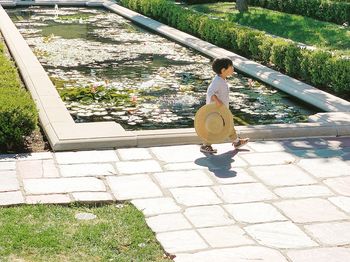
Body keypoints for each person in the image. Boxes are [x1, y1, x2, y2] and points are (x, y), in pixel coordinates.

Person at [200, 57, 249, 154]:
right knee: (213, 127)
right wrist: (216, 100)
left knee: (229, 124)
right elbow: (210, 92)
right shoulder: (217, 81)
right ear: (223, 70)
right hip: (216, 110)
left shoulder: (221, 79)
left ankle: (236, 142)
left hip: (222, 109)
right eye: (231, 67)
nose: (233, 68)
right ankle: (205, 145)